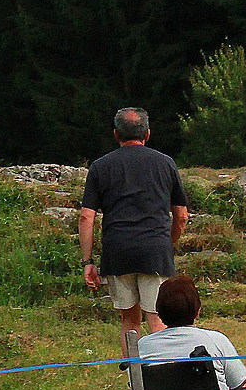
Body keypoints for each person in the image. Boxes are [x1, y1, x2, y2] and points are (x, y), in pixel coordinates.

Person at [79, 107, 189, 343]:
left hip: (117, 252)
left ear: (116, 134)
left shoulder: (100, 167)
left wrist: (88, 261)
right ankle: (163, 371)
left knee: (129, 322)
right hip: (155, 249)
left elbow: (86, 217)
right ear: (147, 134)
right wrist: (168, 242)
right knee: (158, 319)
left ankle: (134, 376)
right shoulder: (166, 164)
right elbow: (181, 215)